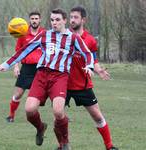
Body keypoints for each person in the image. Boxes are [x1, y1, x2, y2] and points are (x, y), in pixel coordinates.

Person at [0, 8, 94, 150]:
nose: (54, 23)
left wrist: (89, 66)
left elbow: (87, 53)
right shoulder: (44, 35)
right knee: (29, 110)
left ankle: (64, 142)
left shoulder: (73, 38)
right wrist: (7, 64)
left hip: (60, 77)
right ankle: (40, 128)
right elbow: (25, 50)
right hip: (41, 76)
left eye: (58, 20)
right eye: (52, 20)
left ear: (65, 21)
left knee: (59, 112)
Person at [66, 6, 118, 150]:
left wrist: (99, 70)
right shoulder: (63, 36)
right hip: (62, 84)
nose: (72, 20)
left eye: (75, 17)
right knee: (58, 118)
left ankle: (109, 146)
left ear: (83, 20)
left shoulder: (90, 40)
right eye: (70, 17)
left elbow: (93, 60)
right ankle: (62, 145)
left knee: (98, 117)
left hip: (83, 85)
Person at [6, 11, 45, 122]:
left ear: (40, 20)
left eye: (36, 18)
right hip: (26, 68)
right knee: (18, 94)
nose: (34, 20)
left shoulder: (44, 33)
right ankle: (11, 116)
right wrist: (16, 66)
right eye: (32, 18)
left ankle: (61, 115)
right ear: (29, 20)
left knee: (50, 94)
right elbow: (18, 52)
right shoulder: (22, 33)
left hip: (41, 69)